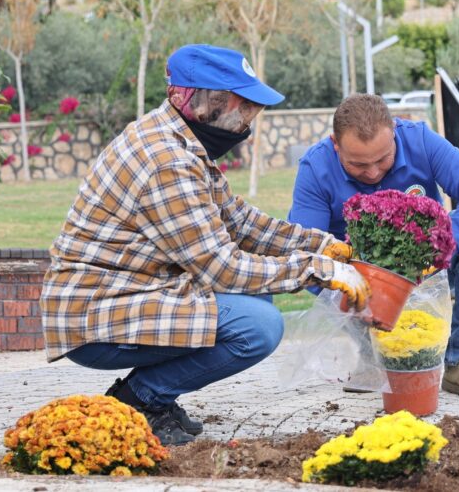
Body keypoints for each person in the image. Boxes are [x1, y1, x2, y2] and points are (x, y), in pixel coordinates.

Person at [40, 45, 367, 446]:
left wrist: (326, 246)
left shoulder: (183, 142)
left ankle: (152, 395)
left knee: (256, 301)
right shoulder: (167, 160)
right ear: (195, 99)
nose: (248, 119)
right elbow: (222, 268)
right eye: (241, 106)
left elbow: (241, 223)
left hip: (132, 292)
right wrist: (316, 269)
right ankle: (141, 399)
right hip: (98, 315)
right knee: (259, 326)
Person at [288, 93, 459, 403]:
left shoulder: (420, 140)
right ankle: (373, 357)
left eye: (382, 159)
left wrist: (434, 246)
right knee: (325, 271)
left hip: (428, 266)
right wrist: (356, 277)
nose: (373, 172)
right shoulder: (315, 167)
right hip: (362, 280)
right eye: (358, 164)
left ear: (394, 132)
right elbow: (306, 252)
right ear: (335, 144)